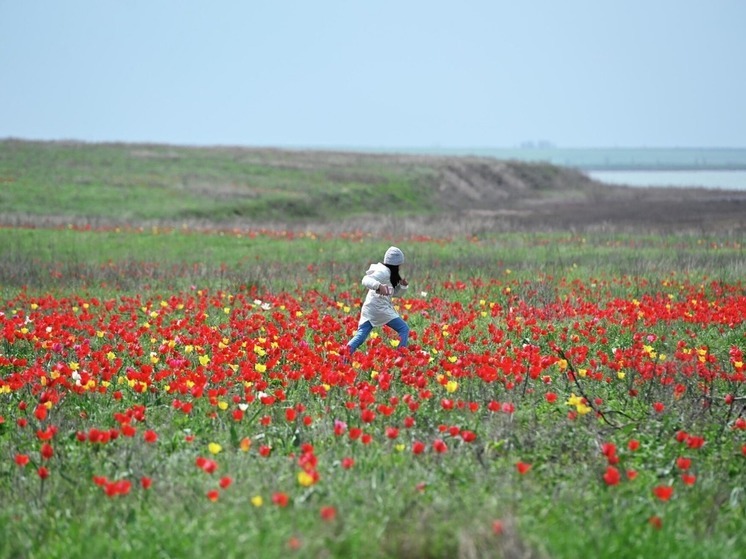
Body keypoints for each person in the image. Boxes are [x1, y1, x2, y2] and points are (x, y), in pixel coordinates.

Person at [346, 246, 410, 358]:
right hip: (379, 308)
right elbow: (365, 280)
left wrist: (403, 286)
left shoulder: (389, 273)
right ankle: (401, 358)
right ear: (396, 264)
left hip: (371, 308)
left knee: (361, 335)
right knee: (403, 329)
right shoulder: (383, 272)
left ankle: (343, 356)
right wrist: (378, 286)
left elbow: (393, 294)